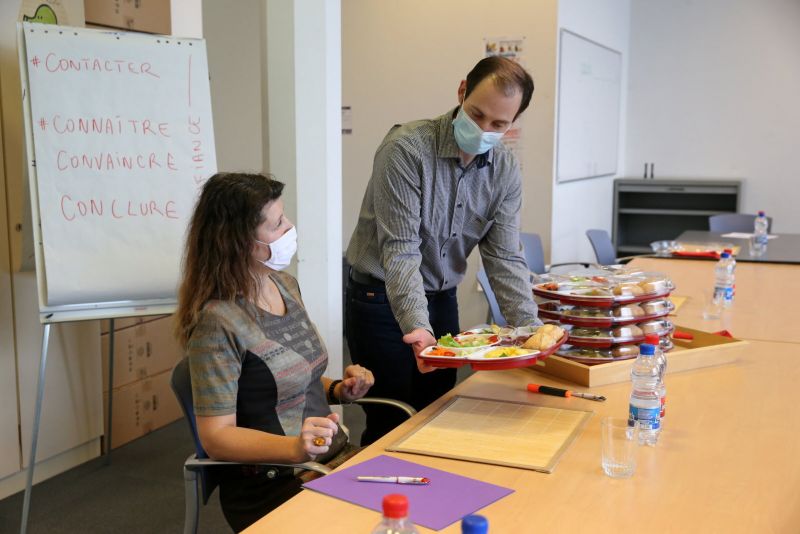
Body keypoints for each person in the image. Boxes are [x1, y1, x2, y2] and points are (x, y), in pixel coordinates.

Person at [345, 56, 541, 445]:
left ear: (512, 123)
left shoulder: (504, 169)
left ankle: (431, 501)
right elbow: (400, 250)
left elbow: (504, 256)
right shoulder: (406, 149)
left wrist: (531, 331)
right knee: (392, 418)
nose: (484, 129)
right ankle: (380, 502)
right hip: (380, 296)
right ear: (462, 91)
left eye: (498, 124)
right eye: (476, 114)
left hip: (441, 295)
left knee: (439, 411)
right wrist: (417, 327)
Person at [175, 172, 375, 532]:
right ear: (239, 243)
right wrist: (295, 450)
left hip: (332, 461)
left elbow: (292, 376)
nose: (290, 228)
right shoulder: (218, 322)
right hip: (276, 482)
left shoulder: (284, 286)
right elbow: (217, 437)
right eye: (278, 223)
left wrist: (338, 390)